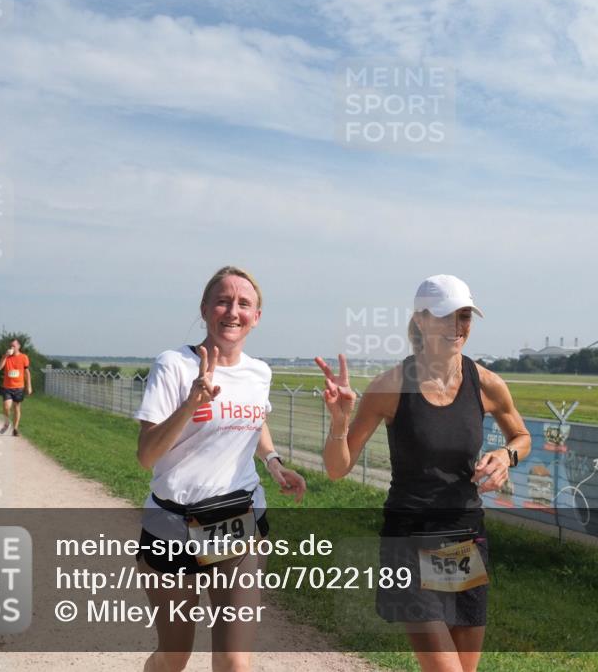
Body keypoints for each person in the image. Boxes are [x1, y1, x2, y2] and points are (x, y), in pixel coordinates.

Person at [318, 275, 531, 672]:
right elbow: (336, 467)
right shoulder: (391, 387)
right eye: (446, 316)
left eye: (465, 316)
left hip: (464, 539)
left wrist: (506, 455)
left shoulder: (486, 383)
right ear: (420, 321)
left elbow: (521, 435)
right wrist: (338, 423)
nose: (458, 326)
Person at [135, 266, 306, 672]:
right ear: (205, 309)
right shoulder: (174, 365)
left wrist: (273, 461)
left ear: (257, 316)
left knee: (234, 662)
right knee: (174, 654)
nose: (233, 311)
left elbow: (254, 417)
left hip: (235, 520)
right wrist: (192, 401)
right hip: (171, 527)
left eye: (244, 303)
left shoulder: (259, 371)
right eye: (223, 301)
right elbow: (146, 455)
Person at [0, 339, 32, 436]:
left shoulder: (24, 357)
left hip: (19, 387)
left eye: (14, 346)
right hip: (7, 387)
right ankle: (7, 422)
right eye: (11, 346)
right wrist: (5, 356)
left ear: (18, 346)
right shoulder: (6, 357)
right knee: (6, 407)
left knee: (16, 407)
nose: (12, 347)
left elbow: (26, 372)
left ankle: (15, 428)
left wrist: (29, 386)